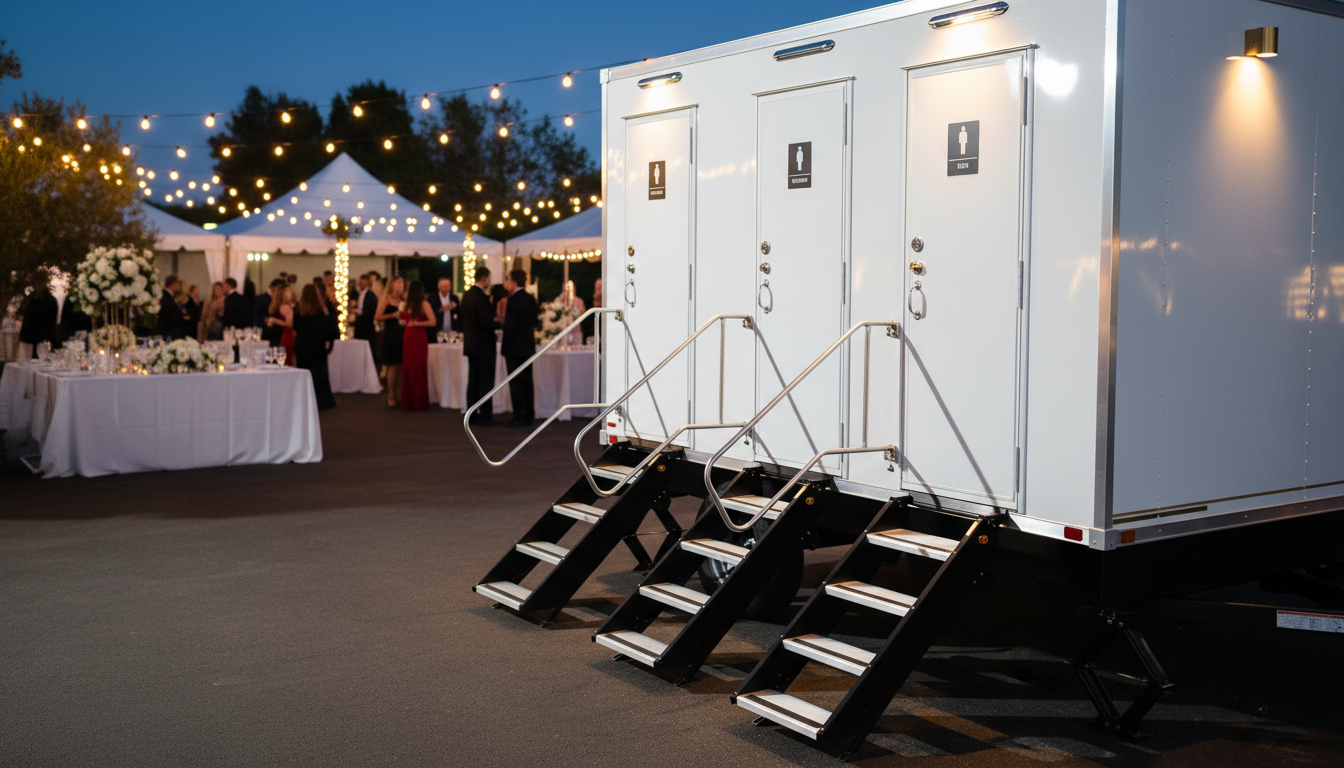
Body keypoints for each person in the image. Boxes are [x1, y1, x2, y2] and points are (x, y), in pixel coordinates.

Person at [460, 267, 498, 425]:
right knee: (486, 381)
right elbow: (485, 322)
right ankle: (485, 415)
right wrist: (498, 323)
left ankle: (471, 413)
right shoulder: (481, 297)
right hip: (484, 345)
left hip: (471, 344)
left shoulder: (467, 295)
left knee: (473, 380)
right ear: (485, 278)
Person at [502, 269, 539, 426]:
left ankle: (519, 415)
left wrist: (505, 347)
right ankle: (529, 412)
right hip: (528, 345)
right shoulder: (531, 298)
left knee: (516, 382)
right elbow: (535, 321)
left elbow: (510, 326)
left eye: (509, 280)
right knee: (527, 381)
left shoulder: (513, 300)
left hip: (514, 347)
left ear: (514, 281)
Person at [294, 284, 337, 410]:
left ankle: (304, 399)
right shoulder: (321, 310)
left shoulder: (299, 309)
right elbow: (329, 329)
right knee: (319, 372)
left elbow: (295, 327)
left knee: (304, 371)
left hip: (303, 344)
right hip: (317, 344)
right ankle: (321, 400)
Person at [399, 280, 435, 412]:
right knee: (410, 367)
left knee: (417, 367)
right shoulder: (408, 305)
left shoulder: (422, 304)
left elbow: (432, 322)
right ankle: (413, 401)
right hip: (411, 336)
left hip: (416, 335)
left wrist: (416, 324)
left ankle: (414, 401)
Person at [374, 277, 405, 408]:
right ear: (392, 285)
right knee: (393, 365)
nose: (401, 285)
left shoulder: (404, 299)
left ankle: (399, 394)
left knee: (402, 366)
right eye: (398, 283)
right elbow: (377, 317)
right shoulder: (386, 299)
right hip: (391, 333)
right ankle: (391, 395)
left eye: (402, 283)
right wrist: (393, 315)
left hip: (403, 333)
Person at [18, 286, 58, 359]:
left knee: (31, 354)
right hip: (47, 332)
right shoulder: (52, 299)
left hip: (31, 332)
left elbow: (21, 311)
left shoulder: (30, 298)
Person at [266, 284, 297, 366]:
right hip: (286, 336)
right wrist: (276, 321)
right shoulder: (287, 307)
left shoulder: (274, 307)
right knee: (287, 360)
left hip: (277, 337)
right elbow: (290, 324)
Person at [156, 275, 189, 339]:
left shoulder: (166, 296)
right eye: (178, 283)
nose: (179, 286)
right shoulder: (167, 298)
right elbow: (171, 315)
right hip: (169, 331)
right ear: (174, 284)